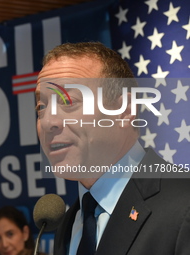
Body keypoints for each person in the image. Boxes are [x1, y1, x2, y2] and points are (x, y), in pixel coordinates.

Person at [35, 42, 190, 255]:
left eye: (68, 102)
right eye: (41, 107)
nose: (47, 122)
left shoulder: (184, 207)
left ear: (125, 111)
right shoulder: (68, 223)